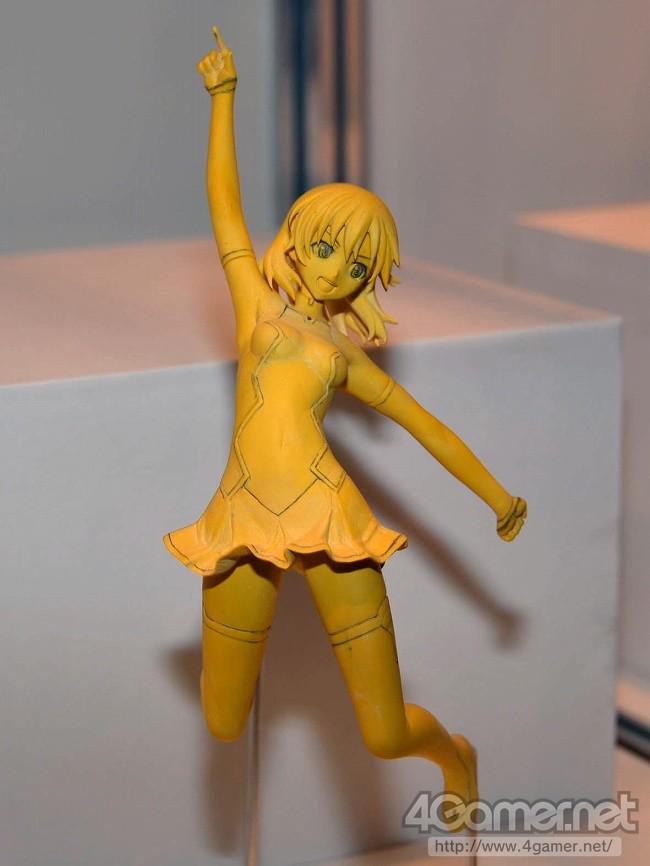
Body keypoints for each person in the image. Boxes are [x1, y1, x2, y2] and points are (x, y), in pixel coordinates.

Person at [164, 27, 526, 827]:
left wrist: (498, 497)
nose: (333, 270)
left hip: (331, 524)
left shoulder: (343, 355)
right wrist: (224, 99)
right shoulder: (256, 308)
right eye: (327, 247)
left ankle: (455, 757)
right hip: (243, 519)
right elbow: (225, 211)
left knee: (386, 734)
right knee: (222, 720)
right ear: (298, 237)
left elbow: (427, 426)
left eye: (355, 265)